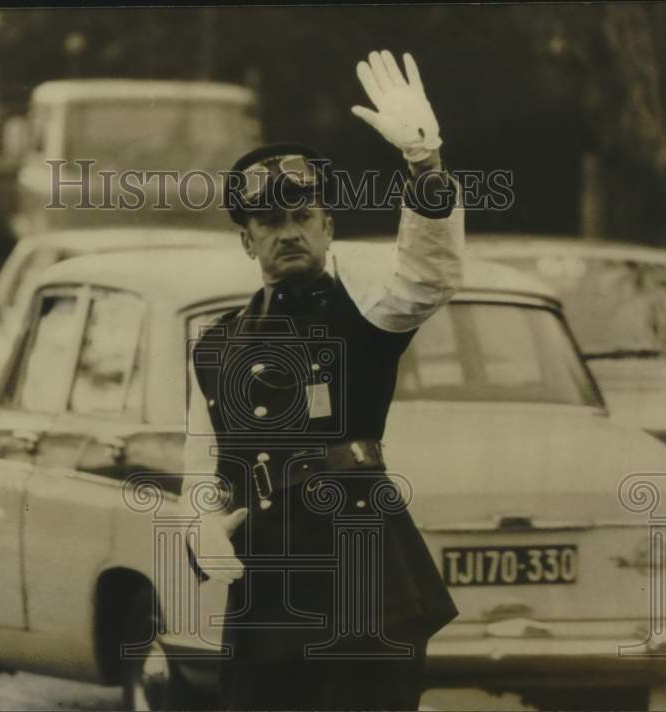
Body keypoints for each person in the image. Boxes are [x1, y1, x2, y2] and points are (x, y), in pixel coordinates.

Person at [182, 50, 463, 711]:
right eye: (269, 222)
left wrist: (425, 168)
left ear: (327, 226)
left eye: (302, 217)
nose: (289, 234)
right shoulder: (218, 345)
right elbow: (202, 458)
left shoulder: (366, 312)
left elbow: (432, 273)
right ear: (246, 241)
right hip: (268, 582)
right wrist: (199, 522)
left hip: (364, 570)